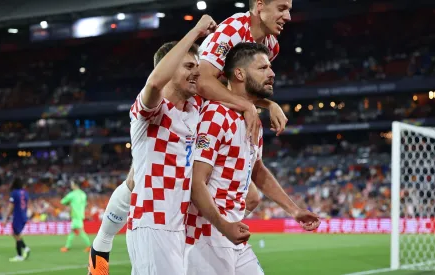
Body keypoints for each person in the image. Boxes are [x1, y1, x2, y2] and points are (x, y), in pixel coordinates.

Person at [125, 15, 250, 275]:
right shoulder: (150, 111)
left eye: (197, 65)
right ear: (170, 69)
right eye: (188, 66)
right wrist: (195, 32)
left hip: (179, 228)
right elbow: (155, 82)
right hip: (152, 224)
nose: (197, 72)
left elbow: (230, 91)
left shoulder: (194, 110)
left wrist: (264, 106)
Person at [185, 42, 321, 275]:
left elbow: (257, 170)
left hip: (233, 235)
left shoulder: (251, 118)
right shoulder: (216, 115)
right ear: (239, 73)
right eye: (263, 68)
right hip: (207, 236)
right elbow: (196, 183)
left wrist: (294, 210)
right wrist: (223, 225)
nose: (272, 73)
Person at [196, 0, 293, 215]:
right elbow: (202, 80)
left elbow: (242, 88)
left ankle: (217, 241)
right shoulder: (233, 30)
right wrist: (248, 108)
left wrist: (268, 104)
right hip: (187, 105)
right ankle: (103, 242)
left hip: (216, 111)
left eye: (289, 10)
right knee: (142, 177)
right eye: (281, 8)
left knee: (251, 198)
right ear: (259, 5)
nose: (287, 17)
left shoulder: (271, 45)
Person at [60, 180, 91, 252]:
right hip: (80, 214)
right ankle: (67, 247)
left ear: (75, 185)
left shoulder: (72, 194)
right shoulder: (83, 194)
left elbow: (62, 201)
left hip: (75, 215)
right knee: (72, 231)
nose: (71, 185)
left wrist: (69, 203)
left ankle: (89, 246)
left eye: (72, 184)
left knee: (80, 231)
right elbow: (85, 204)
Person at [5, 178, 31, 262]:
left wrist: (6, 218)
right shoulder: (25, 193)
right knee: (15, 234)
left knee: (17, 235)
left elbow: (11, 206)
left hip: (18, 216)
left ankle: (20, 254)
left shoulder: (14, 193)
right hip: (24, 215)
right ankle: (25, 248)